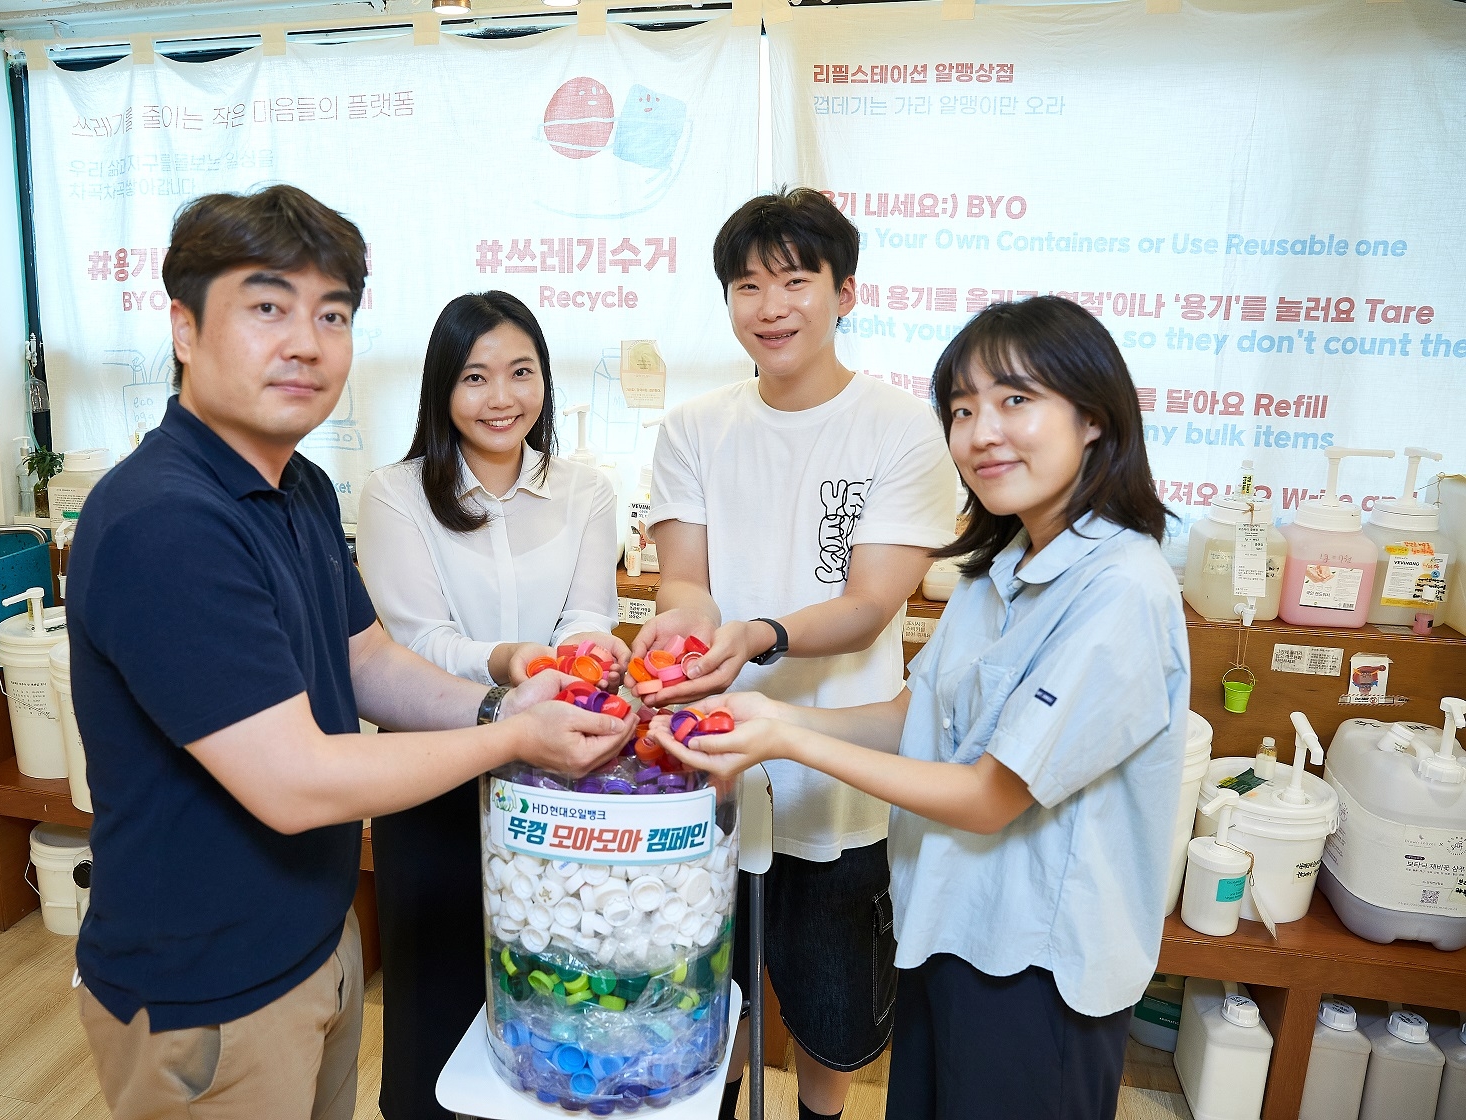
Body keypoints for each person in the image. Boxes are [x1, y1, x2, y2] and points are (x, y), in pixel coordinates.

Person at [67, 185, 632, 1120]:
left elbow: (369, 661)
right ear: (183, 327)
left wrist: (503, 705)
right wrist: (510, 739)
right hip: (208, 989)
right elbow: (292, 781)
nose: (307, 342)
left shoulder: (298, 488)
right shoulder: (165, 520)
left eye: (332, 314)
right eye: (268, 307)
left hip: (313, 945)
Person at [654, 295, 1189, 1120]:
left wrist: (789, 743)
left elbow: (987, 795)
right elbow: (917, 717)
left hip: (1036, 964)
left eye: (1016, 400)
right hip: (946, 927)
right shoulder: (997, 568)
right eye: (964, 409)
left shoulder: (1121, 590)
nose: (982, 433)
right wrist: (779, 722)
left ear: (1093, 416)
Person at [628, 188, 959, 1120]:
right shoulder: (694, 427)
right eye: (747, 286)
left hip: (837, 770)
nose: (769, 307)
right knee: (705, 988)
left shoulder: (902, 428)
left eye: (794, 282)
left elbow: (868, 604)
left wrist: (759, 636)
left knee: (832, 1009)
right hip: (711, 761)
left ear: (845, 292)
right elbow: (685, 582)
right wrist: (688, 623)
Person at [355, 290, 629, 1120]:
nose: (502, 398)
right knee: (433, 1002)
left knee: (554, 994)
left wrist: (575, 659)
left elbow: (589, 616)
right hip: (431, 774)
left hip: (553, 781)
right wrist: (511, 664)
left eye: (521, 372)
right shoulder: (395, 493)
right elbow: (416, 642)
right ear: (442, 388)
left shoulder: (586, 491)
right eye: (475, 377)